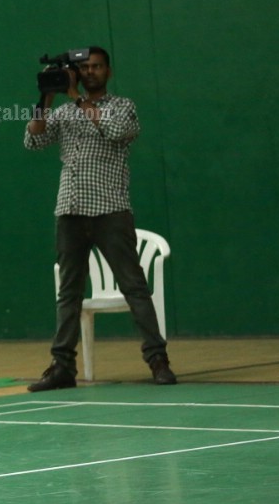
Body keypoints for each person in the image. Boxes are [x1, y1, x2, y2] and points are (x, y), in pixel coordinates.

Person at [24, 46, 176, 391]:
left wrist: (76, 96)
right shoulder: (63, 111)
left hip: (110, 209)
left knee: (134, 287)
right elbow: (33, 139)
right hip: (70, 210)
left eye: (96, 67)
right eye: (84, 67)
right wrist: (46, 97)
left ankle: (158, 361)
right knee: (69, 294)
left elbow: (117, 131)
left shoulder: (122, 107)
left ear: (108, 72)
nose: (89, 71)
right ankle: (62, 367)